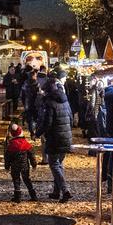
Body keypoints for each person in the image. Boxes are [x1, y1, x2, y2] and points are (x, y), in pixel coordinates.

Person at [36, 72, 73, 202]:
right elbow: (71, 119)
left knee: (54, 165)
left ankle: (65, 190)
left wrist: (37, 133)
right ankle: (56, 192)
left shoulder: (49, 103)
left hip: (55, 138)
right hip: (66, 136)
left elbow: (47, 123)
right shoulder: (65, 100)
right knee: (59, 163)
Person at [4, 124, 37, 203]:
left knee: (16, 180)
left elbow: (7, 157)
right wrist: (34, 164)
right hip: (25, 165)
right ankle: (33, 195)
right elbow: (31, 155)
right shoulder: (26, 143)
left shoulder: (10, 145)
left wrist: (7, 167)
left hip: (14, 166)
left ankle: (17, 196)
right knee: (27, 179)